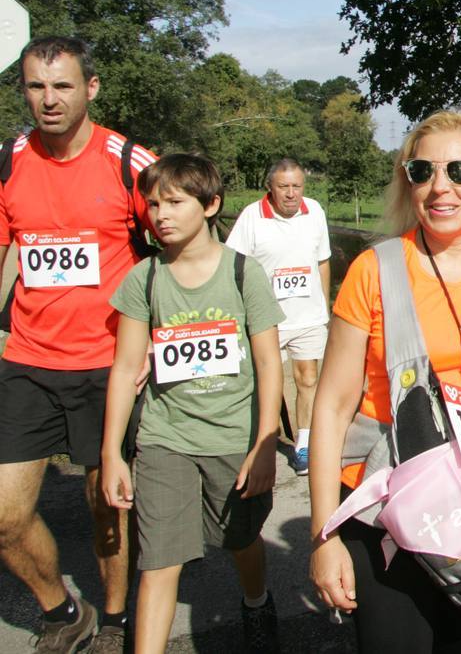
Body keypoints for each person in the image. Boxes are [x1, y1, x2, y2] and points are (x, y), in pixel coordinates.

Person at [310, 111, 461, 653]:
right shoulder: (374, 269)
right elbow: (331, 408)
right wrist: (324, 537)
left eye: (460, 171)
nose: (441, 187)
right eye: (422, 171)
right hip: (386, 505)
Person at [0, 36, 155, 654]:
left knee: (105, 505)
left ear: (90, 88)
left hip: (107, 364)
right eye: (36, 86)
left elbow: (180, 248)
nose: (49, 99)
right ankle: (65, 609)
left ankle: (114, 619)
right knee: (5, 517)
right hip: (28, 360)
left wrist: (158, 339)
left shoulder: (129, 161)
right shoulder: (9, 160)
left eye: (62, 86)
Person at [100, 153, 285, 654]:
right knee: (158, 561)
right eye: (153, 203)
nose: (160, 214)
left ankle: (256, 601)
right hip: (166, 439)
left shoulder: (244, 275)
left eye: (175, 202)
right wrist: (111, 453)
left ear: (210, 206)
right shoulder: (145, 279)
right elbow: (124, 369)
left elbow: (270, 364)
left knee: (241, 542)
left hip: (233, 439)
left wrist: (267, 443)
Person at [226, 157, 332, 476]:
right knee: (264, 383)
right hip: (267, 319)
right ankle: (261, 444)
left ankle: (304, 444)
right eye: (283, 186)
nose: (290, 193)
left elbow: (323, 262)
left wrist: (323, 308)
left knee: (308, 378)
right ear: (269, 187)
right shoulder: (251, 217)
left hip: (308, 317)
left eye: (296, 186)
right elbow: (233, 266)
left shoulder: (314, 211)